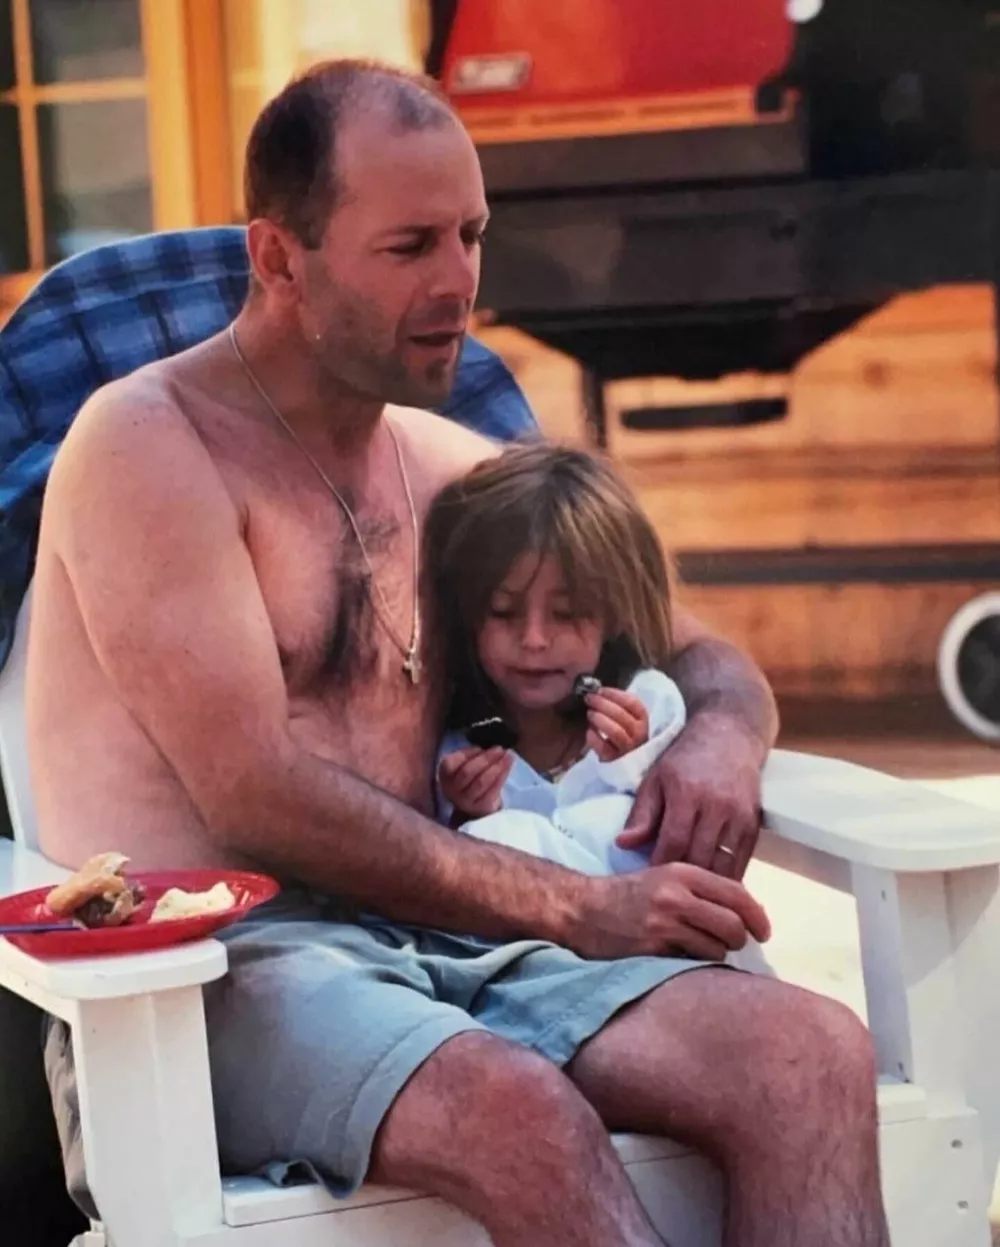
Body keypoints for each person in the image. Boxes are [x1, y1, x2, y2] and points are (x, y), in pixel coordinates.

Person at [29, 59, 888, 1247]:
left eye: (471, 236)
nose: (458, 283)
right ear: (278, 258)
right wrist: (579, 903)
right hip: (215, 976)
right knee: (519, 1111)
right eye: (410, 246)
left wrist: (721, 744)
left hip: (461, 940)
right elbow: (254, 790)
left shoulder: (440, 466)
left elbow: (700, 652)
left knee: (807, 1056)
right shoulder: (148, 447)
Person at [429, 441, 689, 874]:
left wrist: (633, 764)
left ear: (614, 615)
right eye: (503, 611)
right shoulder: (457, 748)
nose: (533, 640)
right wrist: (468, 812)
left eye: (567, 614)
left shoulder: (649, 705)